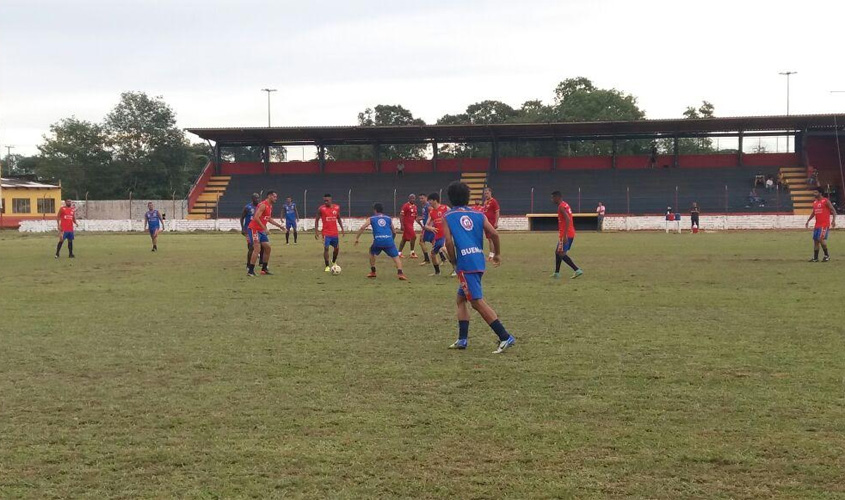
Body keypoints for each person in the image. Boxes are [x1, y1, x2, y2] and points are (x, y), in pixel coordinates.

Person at [442, 181, 516, 354]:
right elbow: (495, 234)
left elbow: (448, 242)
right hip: (478, 260)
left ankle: (505, 336)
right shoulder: (479, 215)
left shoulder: (448, 216)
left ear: (450, 198)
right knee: (461, 299)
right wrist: (497, 254)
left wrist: (453, 262)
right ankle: (462, 339)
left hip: (465, 264)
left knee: (476, 302)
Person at [354, 203, 408, 280]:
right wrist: (391, 240)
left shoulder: (372, 218)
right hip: (389, 241)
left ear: (375, 210)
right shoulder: (388, 218)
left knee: (371, 252)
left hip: (378, 241)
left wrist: (357, 238)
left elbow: (363, 227)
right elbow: (394, 232)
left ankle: (373, 272)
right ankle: (400, 273)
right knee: (396, 257)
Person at [247, 191, 285, 277]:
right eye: (274, 197)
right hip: (254, 229)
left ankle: (264, 269)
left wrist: (279, 226)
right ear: (269, 196)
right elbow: (256, 217)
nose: (276, 198)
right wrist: (265, 228)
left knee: (268, 248)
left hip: (261, 230)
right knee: (257, 248)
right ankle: (250, 270)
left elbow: (269, 219)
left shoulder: (270, 206)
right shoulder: (263, 205)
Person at [551, 191, 582, 279]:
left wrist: (564, 236)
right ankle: (556, 273)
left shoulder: (561, 207)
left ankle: (577, 270)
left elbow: (568, 219)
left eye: (553, 197)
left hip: (566, 234)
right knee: (557, 252)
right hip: (569, 232)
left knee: (561, 253)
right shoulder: (565, 204)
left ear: (558, 197)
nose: (552, 200)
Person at [423, 192, 454, 277]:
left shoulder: (445, 208)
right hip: (438, 237)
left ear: (435, 201)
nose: (429, 203)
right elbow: (426, 225)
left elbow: (454, 216)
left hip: (445, 234)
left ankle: (456, 268)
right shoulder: (432, 212)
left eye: (430, 201)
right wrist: (431, 228)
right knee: (432, 254)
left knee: (444, 249)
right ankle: (437, 272)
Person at [315, 193, 345, 272]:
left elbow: (338, 218)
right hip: (326, 233)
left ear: (331, 200)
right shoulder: (321, 209)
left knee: (336, 249)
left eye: (327, 200)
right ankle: (327, 266)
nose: (325, 202)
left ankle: (334, 261)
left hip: (334, 233)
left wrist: (342, 228)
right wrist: (316, 231)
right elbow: (317, 220)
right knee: (326, 248)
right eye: (324, 201)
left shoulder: (336, 207)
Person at [805, 189, 836, 262]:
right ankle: (815, 258)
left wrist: (833, 220)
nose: (814, 193)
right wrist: (808, 221)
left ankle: (827, 256)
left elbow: (833, 210)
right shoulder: (815, 202)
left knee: (820, 239)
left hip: (824, 224)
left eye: (816, 192)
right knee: (816, 240)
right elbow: (814, 213)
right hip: (817, 225)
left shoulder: (826, 201)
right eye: (814, 192)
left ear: (820, 193)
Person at [240, 193, 263, 270]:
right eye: (256, 198)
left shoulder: (260, 207)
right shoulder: (247, 207)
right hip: (248, 229)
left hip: (257, 229)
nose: (257, 200)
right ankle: (248, 265)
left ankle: (261, 261)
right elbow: (242, 218)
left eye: (258, 198)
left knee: (262, 245)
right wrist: (243, 228)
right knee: (250, 247)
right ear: (252, 199)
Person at [481, 187, 500, 260]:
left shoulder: (493, 201)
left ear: (490, 193)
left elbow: (497, 211)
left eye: (487, 193)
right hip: (486, 222)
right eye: (485, 193)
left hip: (491, 222)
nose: (486, 195)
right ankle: (493, 253)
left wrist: (496, 222)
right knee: (489, 238)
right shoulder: (485, 202)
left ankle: (491, 255)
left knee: (491, 239)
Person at [398, 194, 418, 258]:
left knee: (404, 239)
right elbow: (401, 215)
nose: (412, 199)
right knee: (414, 236)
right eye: (411, 198)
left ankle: (399, 253)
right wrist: (402, 225)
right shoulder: (406, 206)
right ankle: (412, 253)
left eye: (414, 198)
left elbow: (414, 216)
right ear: (409, 199)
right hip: (406, 225)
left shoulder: (415, 207)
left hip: (411, 225)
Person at [416, 193, 433, 265]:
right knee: (434, 243)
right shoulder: (424, 206)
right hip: (427, 227)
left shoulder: (428, 206)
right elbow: (426, 216)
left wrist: (428, 225)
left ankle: (427, 259)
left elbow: (431, 216)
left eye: (422, 198)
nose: (421, 200)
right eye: (420, 198)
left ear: (426, 198)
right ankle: (443, 258)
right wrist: (421, 219)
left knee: (421, 241)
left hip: (428, 227)